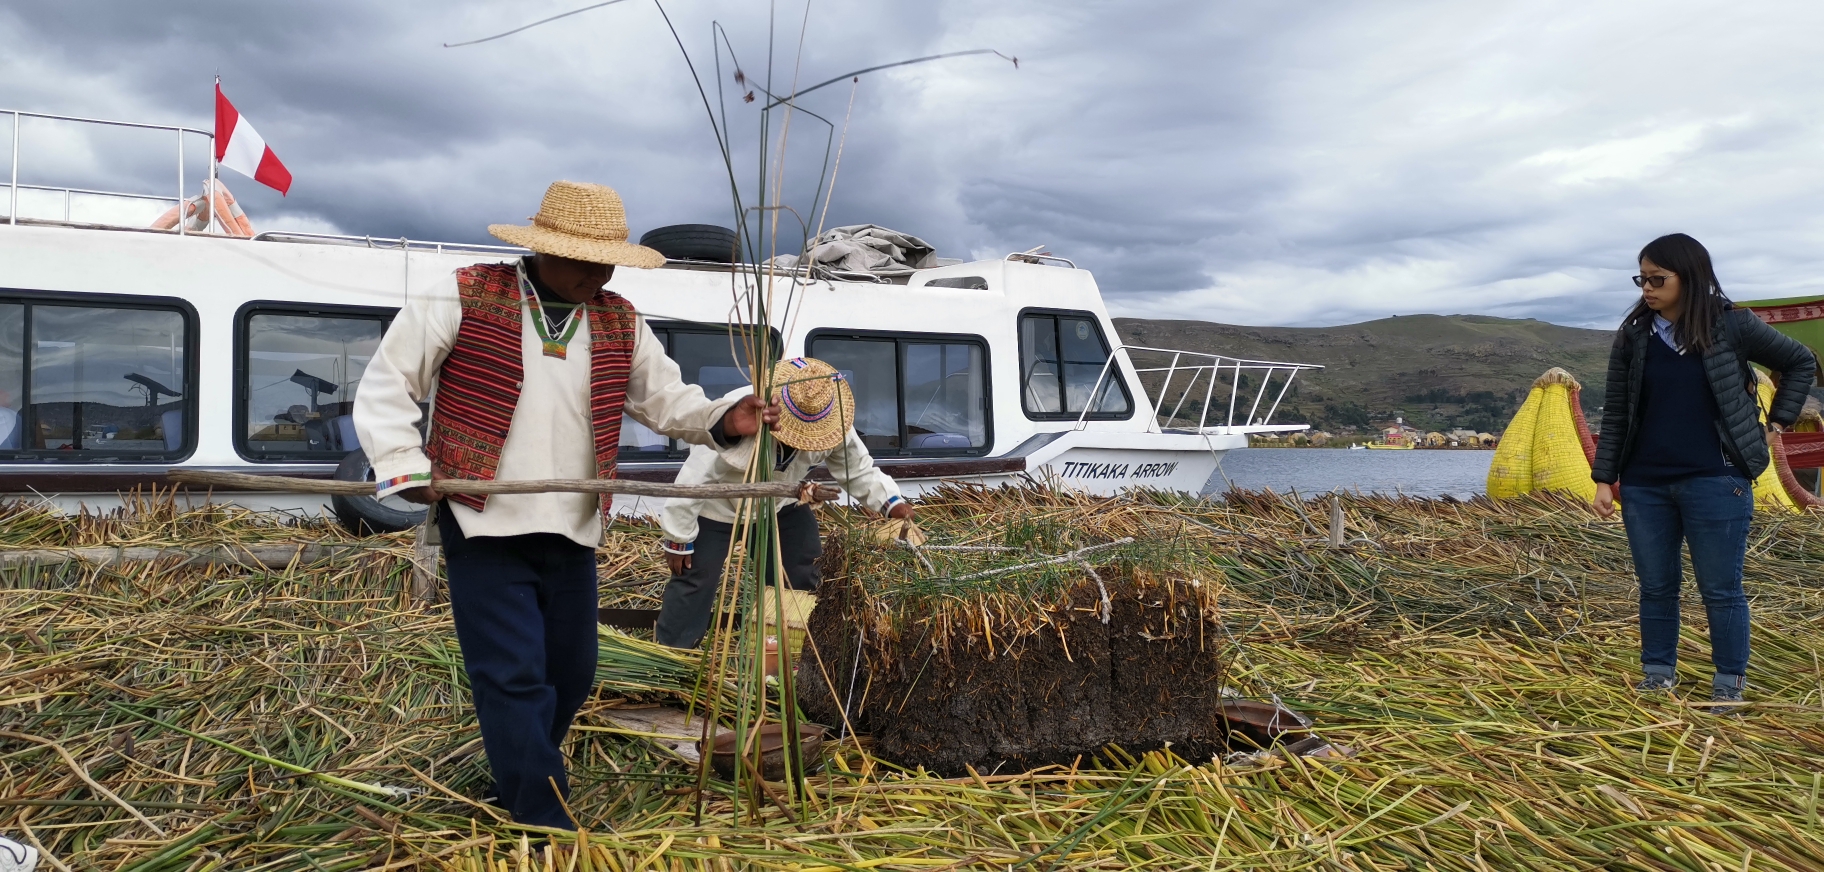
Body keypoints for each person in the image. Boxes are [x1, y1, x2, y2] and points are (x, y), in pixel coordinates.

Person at [354, 180, 779, 830]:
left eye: (606, 262)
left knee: (572, 670)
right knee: (514, 674)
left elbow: (668, 401)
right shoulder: (465, 292)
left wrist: (727, 416)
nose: (597, 274)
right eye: (583, 260)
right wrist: (402, 466)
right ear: (544, 251)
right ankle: (541, 814)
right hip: (483, 516)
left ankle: (517, 778)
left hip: (574, 524)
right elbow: (389, 383)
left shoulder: (618, 318)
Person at [1591, 233, 1815, 712]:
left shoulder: (1731, 325)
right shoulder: (1634, 335)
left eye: (1658, 279)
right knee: (1655, 587)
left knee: (1721, 589)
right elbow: (1616, 412)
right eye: (1642, 278)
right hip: (1644, 484)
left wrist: (1778, 423)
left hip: (1717, 479)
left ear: (1688, 277)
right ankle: (1657, 676)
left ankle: (1729, 683)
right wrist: (1603, 479)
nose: (1646, 288)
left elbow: (1800, 361)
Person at [655, 357, 913, 649]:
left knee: (802, 572)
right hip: (718, 507)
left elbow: (858, 468)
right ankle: (672, 656)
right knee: (694, 578)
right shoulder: (740, 414)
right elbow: (694, 478)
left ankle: (794, 648)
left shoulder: (831, 417)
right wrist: (678, 538)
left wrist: (891, 504)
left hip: (779, 506)